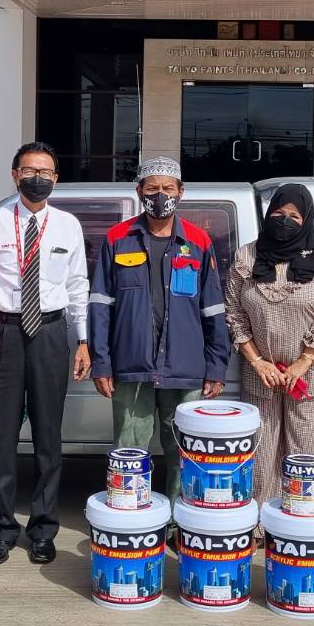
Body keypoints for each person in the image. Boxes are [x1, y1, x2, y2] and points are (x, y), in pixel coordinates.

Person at [0, 142, 91, 566]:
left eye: (45, 172)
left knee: (47, 438)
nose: (37, 178)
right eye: (29, 170)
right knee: (2, 437)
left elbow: (78, 285)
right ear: (15, 175)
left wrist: (83, 340)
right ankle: (1, 529)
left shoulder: (68, 225)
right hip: (4, 334)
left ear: (56, 178)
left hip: (52, 334)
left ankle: (43, 529)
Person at [89, 156, 229, 509]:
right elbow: (101, 305)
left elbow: (213, 309)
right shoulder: (118, 239)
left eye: (168, 188)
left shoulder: (198, 242)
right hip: (131, 367)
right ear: (139, 191)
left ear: (181, 192)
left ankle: (178, 522)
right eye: (152, 188)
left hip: (185, 368)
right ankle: (129, 517)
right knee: (129, 450)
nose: (160, 195)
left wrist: (216, 367)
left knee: (184, 451)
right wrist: (101, 363)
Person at [224, 183, 314, 509]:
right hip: (261, 375)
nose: (285, 220)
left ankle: (307, 521)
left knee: (309, 452)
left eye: (294, 215)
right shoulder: (247, 255)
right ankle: (260, 524)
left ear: (306, 219)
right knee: (261, 454)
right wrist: (257, 361)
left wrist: (302, 362)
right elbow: (234, 312)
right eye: (278, 213)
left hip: (310, 376)